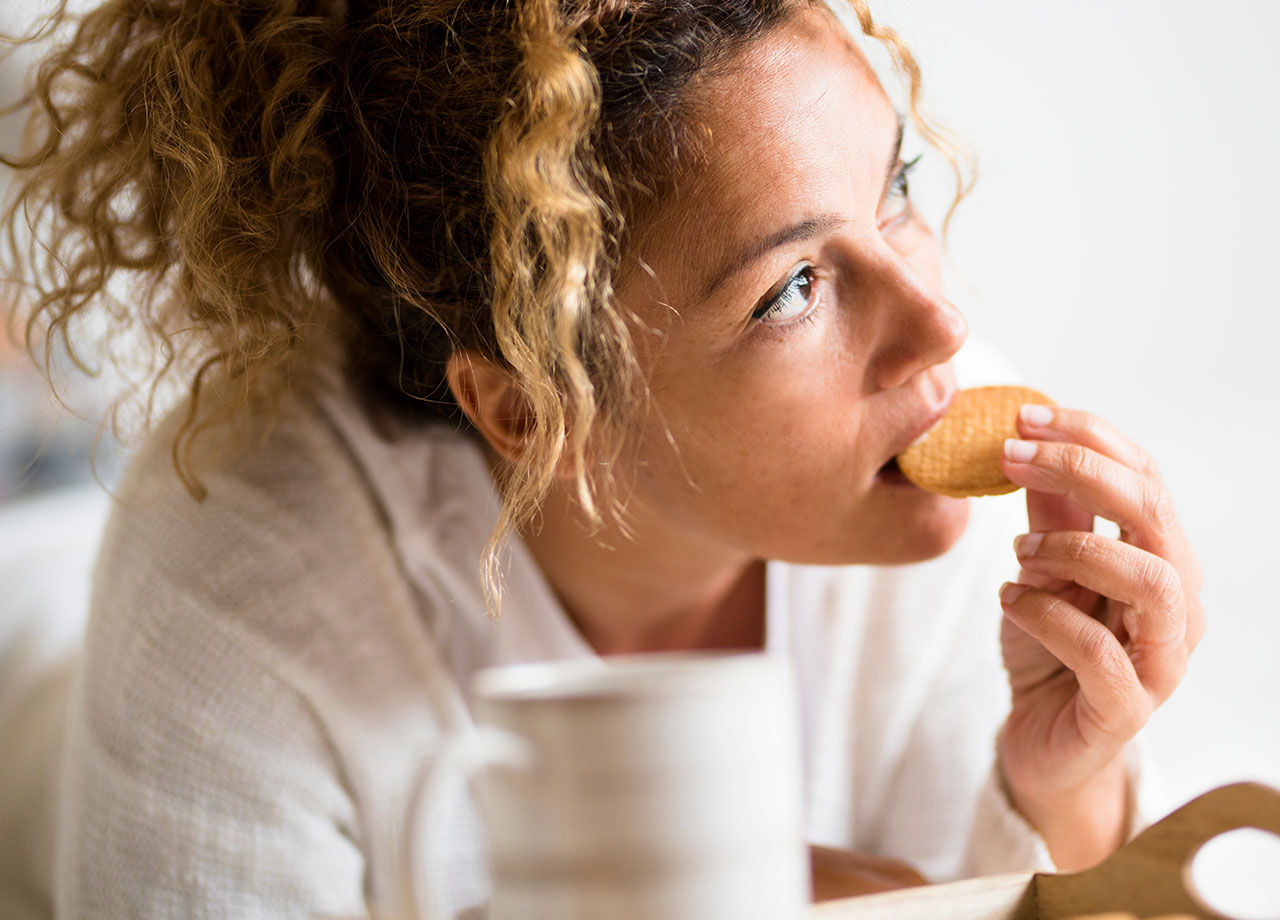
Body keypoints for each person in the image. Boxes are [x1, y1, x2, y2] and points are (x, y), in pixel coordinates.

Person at [0, 0, 1205, 917]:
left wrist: (1071, 787)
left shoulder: (956, 478)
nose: (940, 324)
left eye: (892, 182)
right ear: (530, 410)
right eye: (791, 286)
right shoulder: (234, 577)